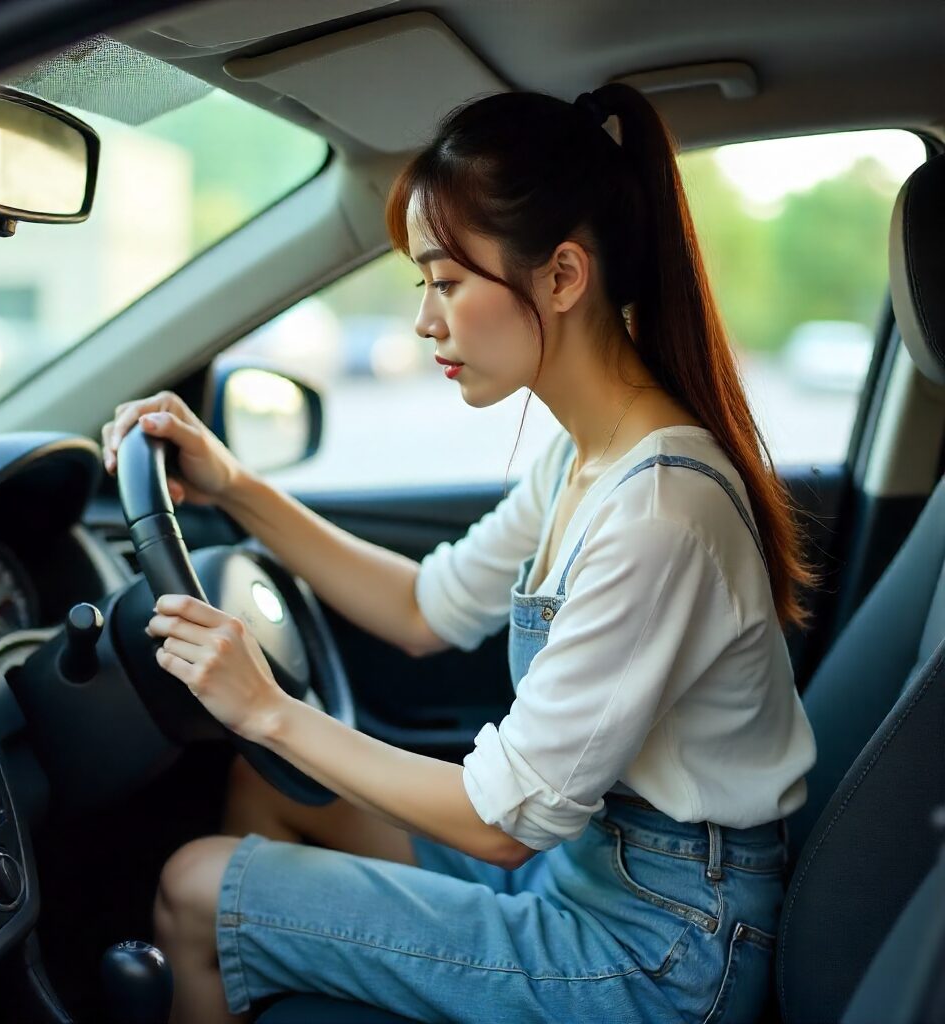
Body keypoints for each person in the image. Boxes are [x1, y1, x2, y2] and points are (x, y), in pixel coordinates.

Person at [101, 83, 818, 1024]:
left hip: (664, 949)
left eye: (446, 281)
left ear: (562, 277)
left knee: (198, 887)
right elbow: (423, 608)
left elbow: (502, 824)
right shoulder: (586, 457)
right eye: (423, 286)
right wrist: (234, 485)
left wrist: (268, 708)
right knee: (268, 788)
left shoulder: (658, 513)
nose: (425, 321)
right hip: (591, 873)